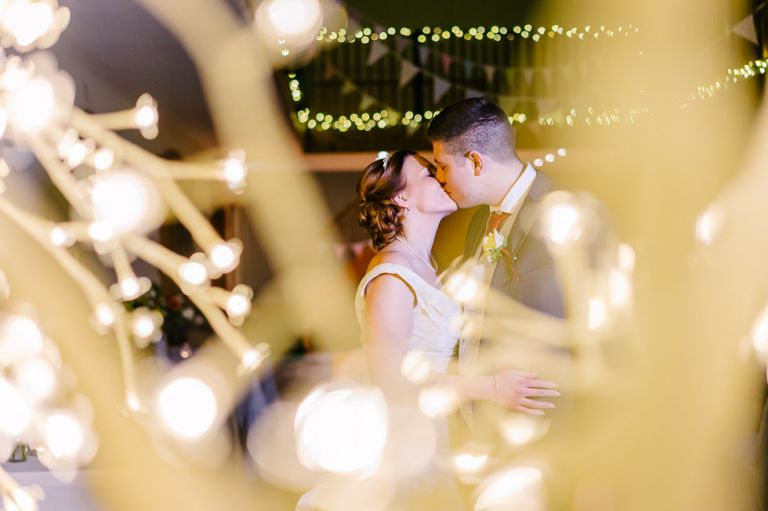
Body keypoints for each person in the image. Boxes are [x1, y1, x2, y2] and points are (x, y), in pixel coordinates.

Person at [355, 149, 560, 414]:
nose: (442, 178)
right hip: (412, 426)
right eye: (429, 173)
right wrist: (492, 387)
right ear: (400, 197)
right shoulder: (392, 275)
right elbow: (388, 380)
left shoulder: (430, 265)